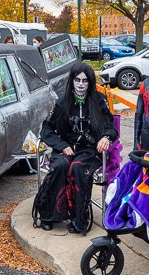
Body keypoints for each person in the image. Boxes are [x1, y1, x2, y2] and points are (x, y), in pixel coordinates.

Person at [34, 62, 118, 234]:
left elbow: (110, 126)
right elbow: (47, 130)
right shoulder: (63, 102)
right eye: (77, 80)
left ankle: (78, 218)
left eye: (85, 81)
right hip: (66, 149)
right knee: (60, 166)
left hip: (89, 151)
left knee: (78, 168)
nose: (81, 84)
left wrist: (106, 137)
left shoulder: (99, 101)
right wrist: (62, 145)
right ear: (72, 81)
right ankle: (49, 215)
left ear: (90, 83)